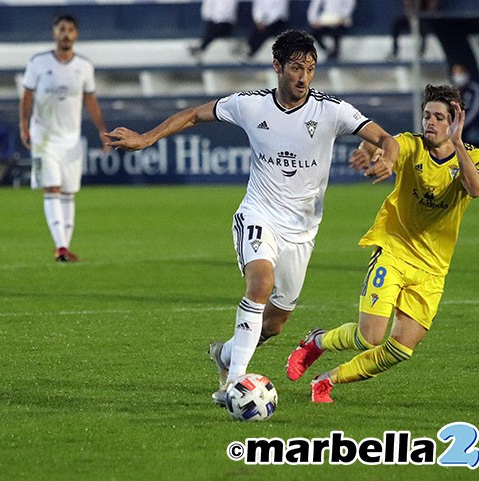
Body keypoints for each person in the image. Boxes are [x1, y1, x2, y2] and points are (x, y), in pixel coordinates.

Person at [105, 30, 399, 405]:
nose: (303, 77)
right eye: (295, 67)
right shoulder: (250, 105)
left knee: (274, 323)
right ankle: (235, 384)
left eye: (310, 69)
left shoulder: (331, 110)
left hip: (302, 231)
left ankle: (226, 354)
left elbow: (385, 138)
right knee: (259, 284)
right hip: (258, 214)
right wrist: (147, 137)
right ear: (277, 67)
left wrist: (384, 157)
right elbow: (195, 114)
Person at [286, 83, 479, 403]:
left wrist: (459, 144)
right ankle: (317, 341)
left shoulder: (474, 157)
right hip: (394, 251)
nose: (430, 123)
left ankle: (327, 380)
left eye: (439, 117)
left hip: (432, 269)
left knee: (400, 349)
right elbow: (392, 145)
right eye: (427, 116)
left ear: (455, 121)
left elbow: (475, 189)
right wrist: (381, 157)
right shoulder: (412, 145)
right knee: (370, 337)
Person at [19, 13, 108, 262]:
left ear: (75, 34)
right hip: (44, 138)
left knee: (68, 192)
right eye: (61, 29)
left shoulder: (84, 66)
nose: (65, 33)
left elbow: (91, 100)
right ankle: (59, 246)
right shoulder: (38, 63)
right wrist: (23, 124)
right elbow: (26, 95)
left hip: (71, 138)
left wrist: (102, 129)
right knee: (53, 187)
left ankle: (65, 247)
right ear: (54, 33)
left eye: (70, 29)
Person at [450, 63, 479, 142]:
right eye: (455, 73)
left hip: (473, 127)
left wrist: (462, 125)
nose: (457, 76)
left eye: (459, 72)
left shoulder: (474, 90)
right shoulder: (454, 90)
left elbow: (474, 111)